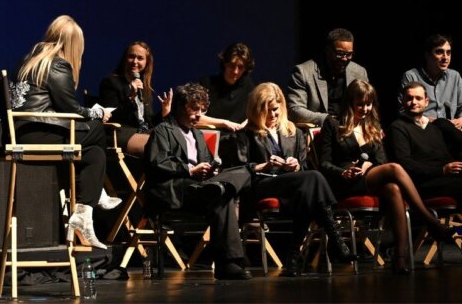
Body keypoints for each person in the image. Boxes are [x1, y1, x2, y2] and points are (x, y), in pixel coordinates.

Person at [314, 80, 455, 274]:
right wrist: (343, 172)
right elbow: (324, 164)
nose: (365, 109)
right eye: (360, 104)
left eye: (369, 104)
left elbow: (381, 160)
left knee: (393, 188)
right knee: (396, 169)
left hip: (369, 177)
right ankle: (431, 221)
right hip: (344, 183)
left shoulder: (372, 124)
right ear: (350, 103)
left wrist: (368, 164)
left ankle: (400, 259)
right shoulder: (333, 123)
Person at [11, 15, 113, 248]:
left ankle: (85, 213)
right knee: (97, 130)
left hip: (22, 131)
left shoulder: (29, 58)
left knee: (94, 154)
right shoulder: (56, 63)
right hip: (37, 133)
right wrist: (97, 112)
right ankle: (91, 200)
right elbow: (70, 107)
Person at [232, 82, 355, 275]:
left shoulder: (293, 131)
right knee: (314, 178)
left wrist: (296, 165)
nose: (273, 115)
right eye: (267, 111)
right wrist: (266, 165)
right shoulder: (246, 134)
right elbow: (239, 168)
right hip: (262, 184)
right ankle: (335, 240)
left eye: (276, 110)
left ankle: (293, 256)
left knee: (308, 192)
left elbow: (303, 168)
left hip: (292, 186)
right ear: (257, 110)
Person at [386, 81, 462, 264]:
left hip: (449, 176)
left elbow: (454, 150)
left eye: (418, 98)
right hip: (423, 183)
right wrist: (441, 170)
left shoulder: (437, 126)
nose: (414, 102)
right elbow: (404, 164)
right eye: (409, 98)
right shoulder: (398, 127)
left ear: (426, 101)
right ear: (402, 101)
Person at [144, 83, 254, 280]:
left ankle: (228, 263)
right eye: (194, 110)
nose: (198, 115)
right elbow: (157, 162)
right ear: (180, 107)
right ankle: (229, 263)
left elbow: (207, 160)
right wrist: (189, 170)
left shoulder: (197, 134)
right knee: (224, 194)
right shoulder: (163, 130)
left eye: (202, 111)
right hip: (176, 188)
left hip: (201, 188)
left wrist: (211, 169)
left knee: (238, 176)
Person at [99, 40, 174, 157]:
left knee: (176, 137)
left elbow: (148, 122)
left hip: (143, 132)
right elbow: (110, 117)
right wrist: (130, 96)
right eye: (131, 57)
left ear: (147, 63)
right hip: (120, 133)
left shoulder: (144, 87)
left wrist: (164, 112)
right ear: (125, 59)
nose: (135, 61)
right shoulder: (111, 82)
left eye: (140, 58)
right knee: (159, 144)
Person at [287, 27, 370, 125]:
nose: (344, 59)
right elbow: (295, 110)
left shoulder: (359, 72)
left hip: (350, 130)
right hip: (318, 132)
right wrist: (327, 119)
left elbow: (368, 106)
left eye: (349, 54)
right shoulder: (303, 72)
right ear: (327, 50)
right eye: (340, 53)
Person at [400, 33, 462, 128]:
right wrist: (428, 120)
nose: (445, 58)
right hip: (422, 130)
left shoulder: (454, 76)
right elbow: (403, 110)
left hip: (450, 131)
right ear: (427, 55)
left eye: (448, 53)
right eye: (439, 52)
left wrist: (460, 120)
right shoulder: (411, 76)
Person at [198, 42, 254, 131]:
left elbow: (255, 114)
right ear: (224, 63)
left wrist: (248, 122)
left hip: (239, 140)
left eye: (240, 67)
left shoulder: (249, 86)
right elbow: (195, 118)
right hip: (212, 138)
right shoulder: (207, 84)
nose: (235, 71)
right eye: (232, 65)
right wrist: (224, 123)